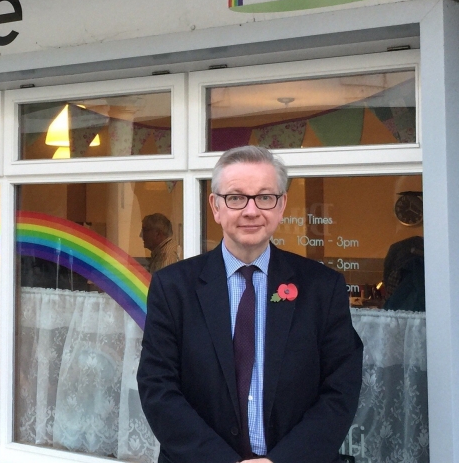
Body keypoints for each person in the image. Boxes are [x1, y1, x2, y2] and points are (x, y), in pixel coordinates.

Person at [137, 146, 363, 463]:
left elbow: (341, 388)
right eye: (236, 197)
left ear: (282, 205)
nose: (251, 210)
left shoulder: (322, 288)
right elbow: (157, 387)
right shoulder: (173, 287)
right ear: (215, 206)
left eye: (265, 197)